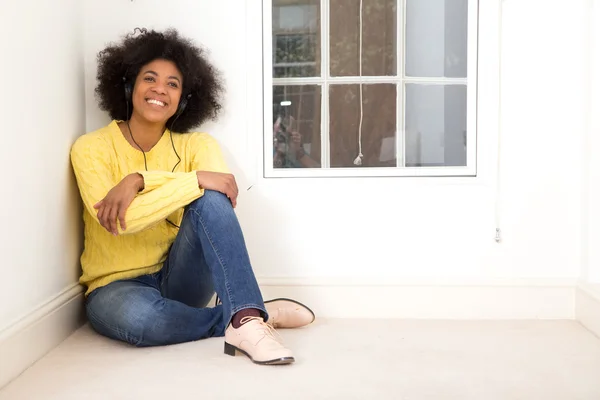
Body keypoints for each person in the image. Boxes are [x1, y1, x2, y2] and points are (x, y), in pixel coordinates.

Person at [70, 28, 315, 366]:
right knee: (146, 323)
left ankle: (244, 318)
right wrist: (192, 179)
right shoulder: (90, 148)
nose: (160, 89)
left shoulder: (197, 146)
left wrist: (140, 180)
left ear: (184, 99)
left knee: (210, 198)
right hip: (115, 286)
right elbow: (122, 222)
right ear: (129, 86)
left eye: (173, 84)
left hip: (180, 277)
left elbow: (221, 197)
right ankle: (249, 316)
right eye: (150, 79)